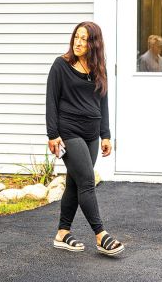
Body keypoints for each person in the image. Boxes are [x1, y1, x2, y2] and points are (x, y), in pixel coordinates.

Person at [46, 21, 125, 256]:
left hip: (91, 134)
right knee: (88, 182)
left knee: (75, 182)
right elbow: (51, 101)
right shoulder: (61, 65)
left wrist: (105, 135)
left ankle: (62, 232)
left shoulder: (99, 67)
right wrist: (53, 134)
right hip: (69, 132)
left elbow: (103, 102)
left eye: (84, 39)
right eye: (76, 37)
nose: (78, 42)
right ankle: (101, 235)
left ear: (94, 43)